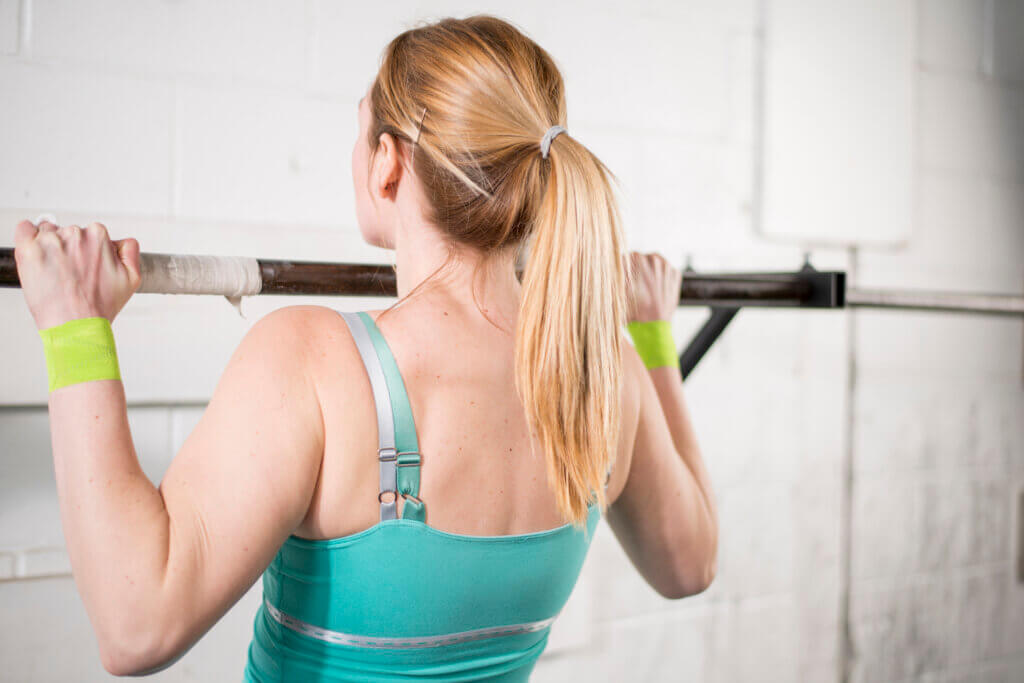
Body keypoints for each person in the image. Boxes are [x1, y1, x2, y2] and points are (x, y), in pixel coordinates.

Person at [13, 14, 717, 682]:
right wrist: (651, 335)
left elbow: (136, 622)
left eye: (360, 131)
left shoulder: (314, 362)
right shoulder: (606, 374)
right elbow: (690, 563)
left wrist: (76, 325)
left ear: (387, 163)